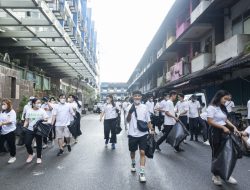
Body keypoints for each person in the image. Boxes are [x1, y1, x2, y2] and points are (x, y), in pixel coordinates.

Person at [207, 90, 239, 186]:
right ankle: (216, 176)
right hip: (215, 132)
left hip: (224, 132)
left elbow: (225, 119)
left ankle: (227, 174)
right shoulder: (211, 107)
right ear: (219, 97)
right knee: (216, 154)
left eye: (227, 100)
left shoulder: (222, 107)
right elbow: (210, 121)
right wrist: (222, 127)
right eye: (225, 99)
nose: (226, 101)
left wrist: (234, 127)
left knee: (226, 153)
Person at [126, 90, 154, 183]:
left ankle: (142, 173)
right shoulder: (129, 107)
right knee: (132, 151)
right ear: (133, 97)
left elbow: (148, 120)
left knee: (142, 152)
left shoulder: (145, 107)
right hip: (132, 134)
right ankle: (133, 163)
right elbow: (127, 120)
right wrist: (130, 112)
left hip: (143, 133)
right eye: (135, 96)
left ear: (141, 97)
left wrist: (151, 130)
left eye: (139, 96)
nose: (137, 97)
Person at [23, 98, 48, 164]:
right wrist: (24, 126)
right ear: (33, 104)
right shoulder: (29, 111)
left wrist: (43, 120)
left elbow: (46, 118)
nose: (39, 104)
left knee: (39, 144)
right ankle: (31, 154)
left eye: (40, 102)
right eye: (37, 103)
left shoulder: (42, 111)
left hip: (39, 130)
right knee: (27, 143)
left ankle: (39, 157)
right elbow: (27, 120)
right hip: (30, 129)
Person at [0, 99, 17, 164]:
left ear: (8, 105)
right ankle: (4, 150)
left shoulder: (12, 112)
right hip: (3, 131)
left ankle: (13, 156)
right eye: (2, 104)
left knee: (11, 145)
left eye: (4, 104)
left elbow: (10, 121)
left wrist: (2, 123)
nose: (3, 105)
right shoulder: (2, 112)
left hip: (10, 131)